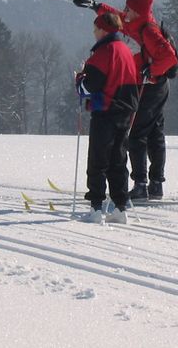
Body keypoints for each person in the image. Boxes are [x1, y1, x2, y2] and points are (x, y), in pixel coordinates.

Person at [73, 0, 178, 201]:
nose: (125, 10)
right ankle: (156, 184)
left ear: (138, 12)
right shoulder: (137, 22)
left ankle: (141, 184)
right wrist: (95, 5)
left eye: (129, 8)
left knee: (137, 135)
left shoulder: (148, 31)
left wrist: (152, 71)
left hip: (150, 88)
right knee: (155, 134)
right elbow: (117, 16)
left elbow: (170, 58)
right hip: (157, 88)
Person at [75, 12, 140, 224]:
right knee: (118, 160)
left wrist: (79, 78)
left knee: (98, 160)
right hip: (125, 112)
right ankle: (120, 208)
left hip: (105, 111)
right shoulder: (126, 51)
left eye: (95, 29)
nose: (94, 33)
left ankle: (95, 208)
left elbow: (89, 87)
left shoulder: (104, 52)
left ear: (103, 29)